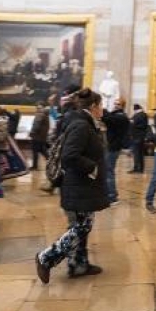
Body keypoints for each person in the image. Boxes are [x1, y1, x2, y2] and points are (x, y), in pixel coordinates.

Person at [35, 88, 108, 282]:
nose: (103, 109)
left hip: (82, 185)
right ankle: (46, 257)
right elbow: (69, 156)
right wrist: (92, 167)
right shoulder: (81, 126)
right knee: (82, 226)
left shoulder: (84, 123)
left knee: (83, 224)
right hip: (79, 185)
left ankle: (79, 265)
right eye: (101, 105)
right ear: (93, 107)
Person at [102, 98, 130, 204]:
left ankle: (112, 196)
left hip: (113, 147)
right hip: (112, 146)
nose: (115, 105)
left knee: (109, 171)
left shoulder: (121, 117)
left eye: (117, 104)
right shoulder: (117, 115)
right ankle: (111, 194)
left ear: (122, 106)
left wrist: (103, 107)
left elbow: (107, 118)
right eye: (115, 103)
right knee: (108, 170)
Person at [128, 104, 149, 173]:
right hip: (142, 137)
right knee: (140, 153)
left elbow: (133, 124)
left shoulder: (137, 116)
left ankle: (136, 168)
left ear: (135, 109)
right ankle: (141, 168)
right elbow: (145, 126)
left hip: (136, 136)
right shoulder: (144, 115)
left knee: (136, 153)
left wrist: (131, 123)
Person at [29, 103, 50, 170]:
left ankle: (35, 166)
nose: (37, 109)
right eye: (37, 108)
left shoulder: (40, 114)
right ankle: (51, 161)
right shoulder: (46, 115)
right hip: (42, 136)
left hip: (37, 136)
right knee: (42, 150)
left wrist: (32, 133)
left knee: (35, 151)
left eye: (39, 108)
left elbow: (36, 125)